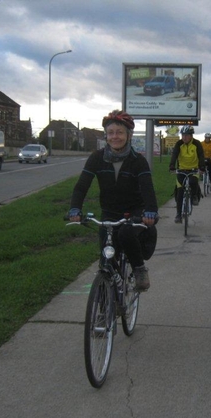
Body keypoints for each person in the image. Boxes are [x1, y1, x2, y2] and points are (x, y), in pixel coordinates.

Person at [68, 110, 159, 292]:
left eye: (119, 132)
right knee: (105, 261)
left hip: (134, 211)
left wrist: (150, 211)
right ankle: (103, 310)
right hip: (109, 213)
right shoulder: (97, 158)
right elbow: (81, 186)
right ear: (106, 135)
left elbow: (148, 189)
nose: (115, 137)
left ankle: (139, 270)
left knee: (126, 234)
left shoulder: (138, 161)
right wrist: (75, 209)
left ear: (128, 135)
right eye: (111, 133)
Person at [169, 125, 205, 223]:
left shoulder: (197, 144)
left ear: (191, 136)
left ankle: (194, 196)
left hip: (193, 169)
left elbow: (201, 155)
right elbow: (174, 155)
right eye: (183, 135)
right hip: (181, 169)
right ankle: (178, 215)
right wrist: (172, 166)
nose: (184, 137)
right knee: (180, 191)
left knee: (193, 181)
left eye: (187, 135)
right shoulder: (179, 144)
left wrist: (202, 167)